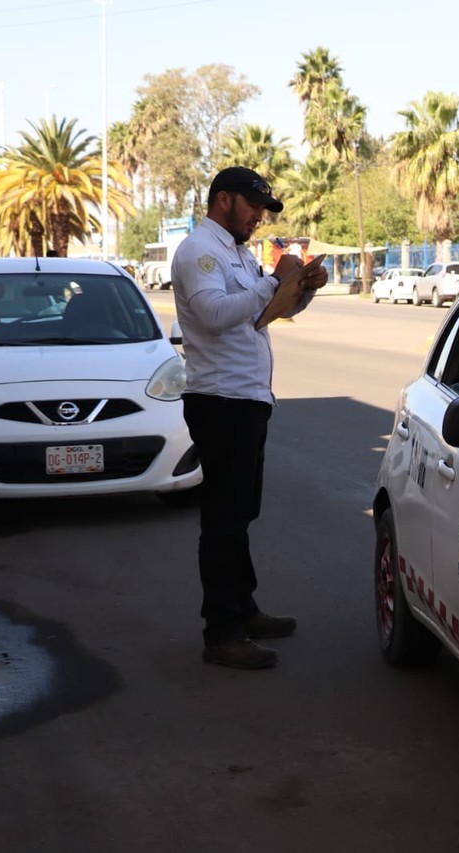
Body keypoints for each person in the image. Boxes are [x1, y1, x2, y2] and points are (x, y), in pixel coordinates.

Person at [172, 166, 329, 669]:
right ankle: (222, 633)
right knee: (223, 520)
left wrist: (301, 288)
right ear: (223, 201)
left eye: (263, 209)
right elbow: (216, 315)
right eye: (253, 206)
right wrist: (273, 284)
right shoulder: (200, 251)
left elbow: (265, 313)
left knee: (239, 514)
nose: (260, 217)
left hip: (245, 401)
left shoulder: (235, 252)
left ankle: (244, 608)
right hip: (220, 402)